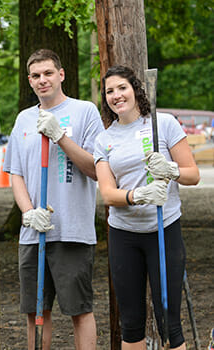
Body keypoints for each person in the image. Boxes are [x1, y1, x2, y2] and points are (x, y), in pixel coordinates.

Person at [3, 49, 103, 350]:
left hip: (72, 229)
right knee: (36, 312)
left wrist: (60, 135)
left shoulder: (85, 111)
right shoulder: (23, 119)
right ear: (30, 81)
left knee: (79, 309)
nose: (42, 80)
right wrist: (29, 211)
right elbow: (16, 173)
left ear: (61, 74)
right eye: (35, 75)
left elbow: (95, 168)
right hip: (34, 233)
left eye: (48, 73)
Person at [94, 65, 199, 350]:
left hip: (163, 230)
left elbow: (193, 174)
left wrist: (172, 169)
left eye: (121, 88)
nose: (116, 95)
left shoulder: (163, 124)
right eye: (110, 91)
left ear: (135, 89)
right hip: (124, 235)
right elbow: (107, 193)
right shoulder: (104, 140)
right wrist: (138, 195)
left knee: (170, 323)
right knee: (131, 323)